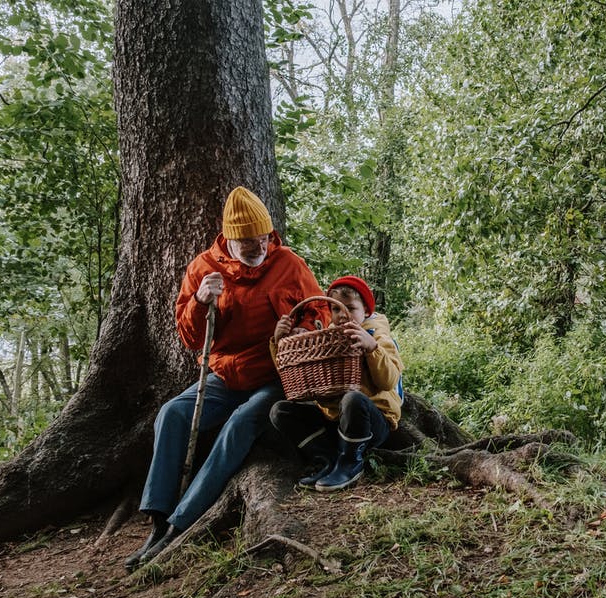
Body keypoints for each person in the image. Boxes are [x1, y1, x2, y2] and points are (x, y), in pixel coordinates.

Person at [124, 186, 326, 571]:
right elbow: (190, 337)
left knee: (240, 423)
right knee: (172, 414)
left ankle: (183, 522)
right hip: (225, 374)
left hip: (275, 374)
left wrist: (306, 330)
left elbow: (317, 312)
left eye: (264, 239)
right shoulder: (203, 267)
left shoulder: (289, 264)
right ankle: (157, 519)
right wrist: (200, 301)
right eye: (249, 243)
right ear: (230, 239)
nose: (258, 249)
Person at [269, 275, 404, 492]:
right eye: (337, 310)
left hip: (372, 421)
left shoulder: (378, 337)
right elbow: (297, 376)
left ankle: (351, 462)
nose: (343, 315)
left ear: (366, 311)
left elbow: (388, 381)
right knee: (280, 411)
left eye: (350, 308)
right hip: (337, 423)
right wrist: (280, 342)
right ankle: (328, 458)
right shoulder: (328, 339)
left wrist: (372, 349)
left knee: (352, 398)